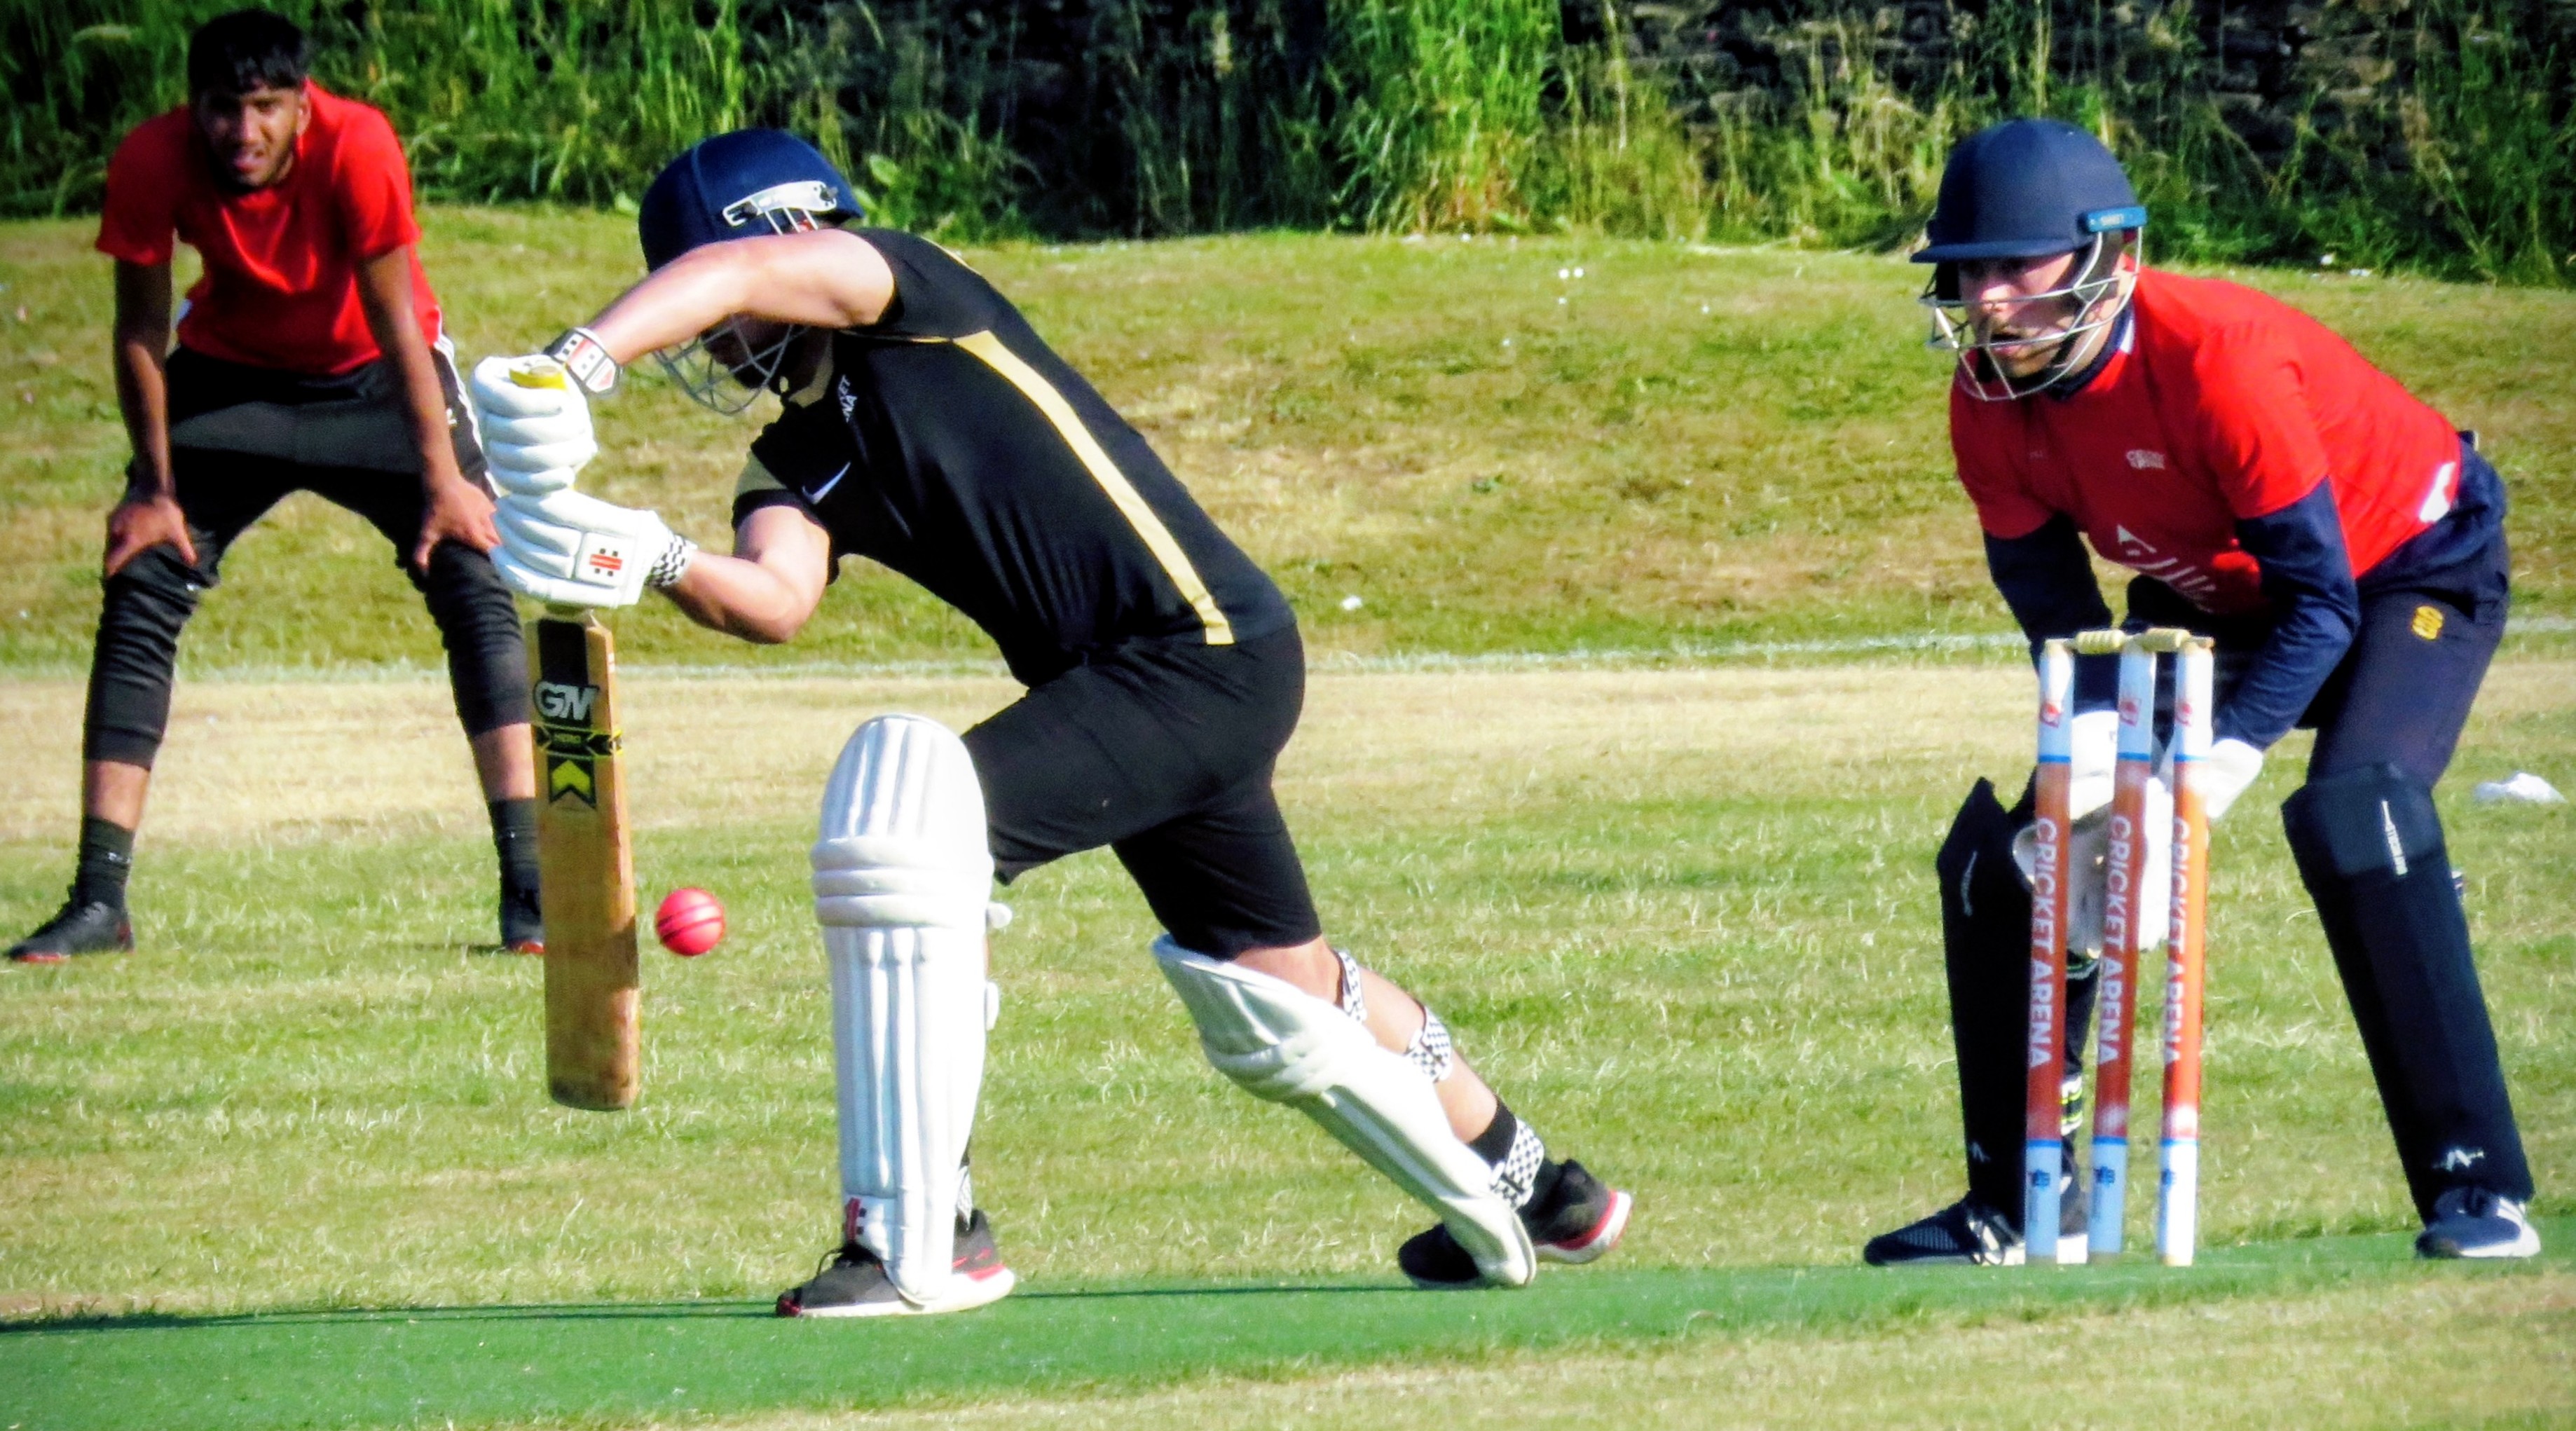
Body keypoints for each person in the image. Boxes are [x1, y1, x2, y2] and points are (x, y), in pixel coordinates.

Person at [472, 129, 1632, 1315]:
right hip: (1148, 684)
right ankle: (1544, 1187)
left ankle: (934, 1231)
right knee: (1279, 988)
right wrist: (648, 555)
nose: (711, 337)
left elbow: (733, 276)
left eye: (707, 289)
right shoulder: (795, 455)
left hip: (1197, 650)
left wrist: (577, 361)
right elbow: (774, 599)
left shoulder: (903, 288)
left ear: (786, 235)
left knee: (916, 831)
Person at [1864, 118, 2542, 1266]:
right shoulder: (1986, 402)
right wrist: (2083, 816)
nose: (1987, 301)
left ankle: (2479, 1189)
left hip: (2405, 570)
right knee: (2006, 864)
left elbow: (2321, 604)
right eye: (1969, 271)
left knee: (2358, 812)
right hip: (2218, 609)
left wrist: (2191, 793)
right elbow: (2067, 631)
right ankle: (2025, 1204)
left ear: (2111, 257)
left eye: (2017, 267)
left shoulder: (2212, 357)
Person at [8, 9, 541, 964]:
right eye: (221, 108)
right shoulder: (149, 159)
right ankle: (99, 903)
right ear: (193, 106)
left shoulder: (360, 147)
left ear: (302, 104)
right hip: (231, 379)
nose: (242, 133)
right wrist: (156, 489)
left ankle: (533, 895)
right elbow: (139, 334)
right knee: (142, 578)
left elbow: (398, 319)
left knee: (471, 571)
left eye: (264, 108)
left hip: (378, 375)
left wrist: (445, 484)